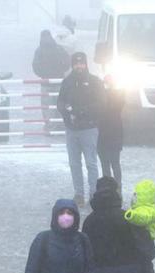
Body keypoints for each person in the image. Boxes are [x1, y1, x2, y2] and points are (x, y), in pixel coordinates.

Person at [57, 52, 104, 208]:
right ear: (72, 65)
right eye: (76, 64)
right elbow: (60, 102)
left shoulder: (95, 82)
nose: (79, 66)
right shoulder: (67, 82)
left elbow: (101, 103)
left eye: (82, 63)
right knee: (74, 163)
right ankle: (79, 194)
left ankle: (93, 193)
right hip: (72, 130)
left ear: (86, 64)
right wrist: (66, 113)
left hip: (89, 128)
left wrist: (81, 111)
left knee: (91, 163)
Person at [124, 179, 155, 273]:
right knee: (146, 264)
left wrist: (130, 215)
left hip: (144, 239)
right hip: (145, 239)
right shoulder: (148, 208)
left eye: (136, 194)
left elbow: (143, 218)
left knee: (145, 264)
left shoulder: (145, 210)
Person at [31, 30, 70, 130]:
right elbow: (68, 62)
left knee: (47, 106)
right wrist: (61, 71)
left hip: (45, 82)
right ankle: (61, 125)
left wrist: (43, 74)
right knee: (60, 103)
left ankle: (50, 126)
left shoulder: (39, 51)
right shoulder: (59, 48)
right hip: (59, 81)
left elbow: (35, 66)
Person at [98, 76, 125, 185]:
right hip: (107, 132)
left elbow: (115, 107)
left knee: (112, 163)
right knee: (109, 163)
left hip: (110, 132)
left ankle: (115, 189)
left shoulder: (118, 95)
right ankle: (112, 188)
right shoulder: (118, 94)